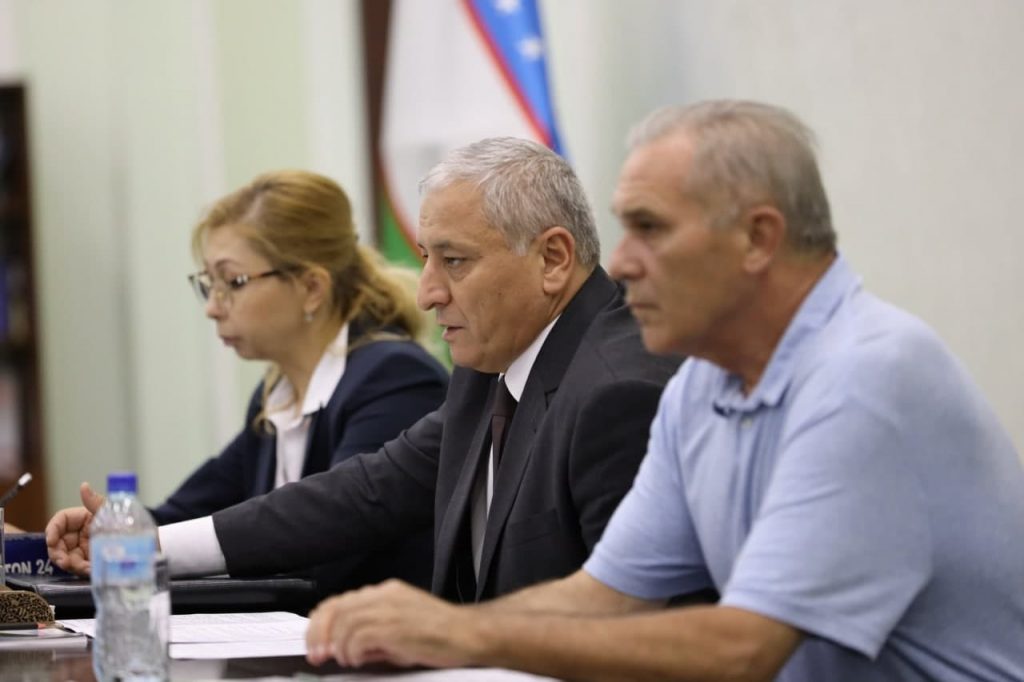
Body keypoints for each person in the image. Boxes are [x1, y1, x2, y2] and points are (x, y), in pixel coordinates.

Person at [302, 101, 1024, 681]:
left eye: (650, 229)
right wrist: (437, 632)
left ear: (758, 238)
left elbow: (745, 650)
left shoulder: (866, 375)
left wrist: (463, 634)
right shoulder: (703, 383)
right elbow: (608, 595)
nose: (620, 262)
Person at [47, 139, 682, 604]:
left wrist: (440, 631)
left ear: (553, 259)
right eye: (427, 259)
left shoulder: (616, 391)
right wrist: (146, 545)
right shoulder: (489, 370)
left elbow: (632, 625)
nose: (427, 292)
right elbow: (362, 493)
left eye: (454, 261)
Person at [54, 169, 449, 592]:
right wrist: (109, 530)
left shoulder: (395, 378)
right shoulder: (275, 398)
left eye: (233, 282)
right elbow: (189, 515)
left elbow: (328, 533)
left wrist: (143, 544)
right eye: (209, 284)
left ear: (312, 288)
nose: (212, 308)